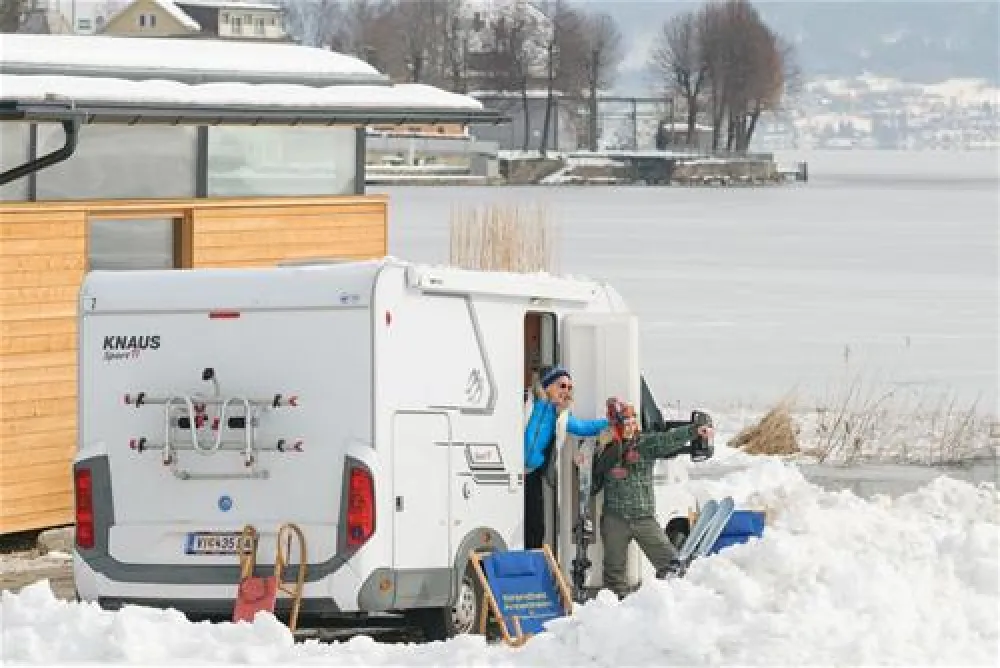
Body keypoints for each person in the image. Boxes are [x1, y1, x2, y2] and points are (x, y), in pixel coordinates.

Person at [590, 405, 714, 599]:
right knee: (614, 572)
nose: (631, 427)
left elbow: (667, 439)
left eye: (633, 422)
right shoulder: (605, 450)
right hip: (614, 519)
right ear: (616, 426)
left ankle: (672, 601)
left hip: (643, 519)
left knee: (671, 563)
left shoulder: (644, 444)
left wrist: (693, 430)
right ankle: (617, 608)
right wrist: (585, 462)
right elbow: (593, 483)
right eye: (626, 423)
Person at [523, 366, 609, 549]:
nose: (566, 391)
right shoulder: (527, 404)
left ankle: (531, 562)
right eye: (562, 386)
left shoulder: (560, 416)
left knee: (535, 526)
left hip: (532, 474)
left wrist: (611, 422)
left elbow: (585, 427)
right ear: (547, 386)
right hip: (512, 471)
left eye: (570, 388)